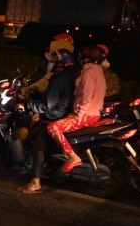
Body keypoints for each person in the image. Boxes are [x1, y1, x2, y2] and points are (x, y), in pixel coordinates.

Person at [16, 49, 79, 193]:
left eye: (53, 60)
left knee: (38, 148)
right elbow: (49, 96)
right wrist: (34, 94)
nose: (50, 63)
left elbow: (45, 105)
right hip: (62, 114)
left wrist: (25, 104)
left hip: (53, 116)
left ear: (60, 63)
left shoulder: (58, 79)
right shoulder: (68, 77)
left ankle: (35, 182)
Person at [47, 45, 107, 173]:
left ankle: (72, 157)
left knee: (53, 127)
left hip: (86, 115)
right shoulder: (97, 70)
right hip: (93, 114)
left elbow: (87, 95)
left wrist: (78, 114)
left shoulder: (89, 71)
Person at [20, 33, 75, 99]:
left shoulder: (57, 68)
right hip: (48, 98)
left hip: (47, 101)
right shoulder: (65, 66)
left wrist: (25, 90)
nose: (52, 44)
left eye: (55, 41)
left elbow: (45, 81)